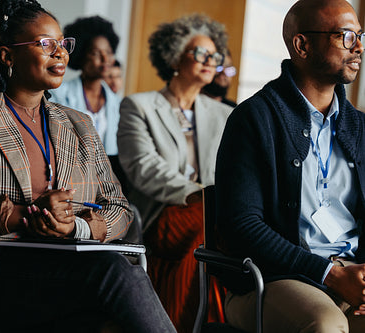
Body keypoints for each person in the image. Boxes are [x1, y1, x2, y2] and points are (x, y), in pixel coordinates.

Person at [0, 1, 176, 332]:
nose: (60, 53)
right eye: (46, 44)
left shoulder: (79, 124)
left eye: (63, 44)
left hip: (65, 266)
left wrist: (76, 229)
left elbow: (119, 208)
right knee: (114, 272)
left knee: (112, 305)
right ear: (8, 56)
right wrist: (18, 216)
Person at [214, 0, 365, 332]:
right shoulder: (255, 119)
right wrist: (330, 274)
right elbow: (243, 226)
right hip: (275, 278)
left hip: (353, 273)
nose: (359, 47)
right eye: (347, 37)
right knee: (325, 325)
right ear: (302, 45)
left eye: (360, 36)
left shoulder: (360, 128)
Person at [118, 14, 232, 332]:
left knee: (213, 225)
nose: (211, 61)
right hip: (159, 214)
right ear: (174, 57)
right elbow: (144, 168)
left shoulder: (225, 114)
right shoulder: (138, 106)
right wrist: (197, 194)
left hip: (211, 214)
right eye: (201, 53)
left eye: (215, 55)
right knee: (207, 222)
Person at [48, 15, 120, 156]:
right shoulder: (57, 94)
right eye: (96, 53)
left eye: (109, 53)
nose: (105, 59)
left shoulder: (117, 102)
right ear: (81, 56)